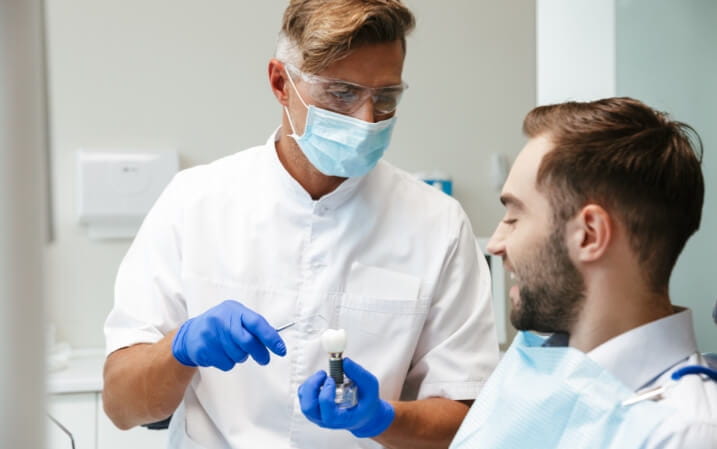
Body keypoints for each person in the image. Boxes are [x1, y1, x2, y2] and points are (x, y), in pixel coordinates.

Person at [102, 1, 499, 448]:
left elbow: (468, 421)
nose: (366, 120)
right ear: (280, 82)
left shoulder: (437, 223)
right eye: (341, 93)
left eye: (385, 98)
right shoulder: (192, 202)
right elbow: (121, 405)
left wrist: (380, 418)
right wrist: (179, 350)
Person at [450, 97, 717, 449]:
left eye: (514, 217)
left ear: (589, 235)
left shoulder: (683, 432)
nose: (495, 244)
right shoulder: (534, 362)